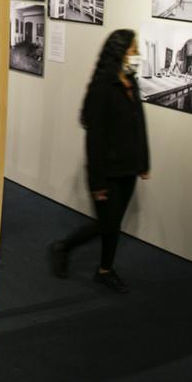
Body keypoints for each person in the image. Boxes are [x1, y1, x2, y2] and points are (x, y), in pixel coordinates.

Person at [50, 29, 150, 293]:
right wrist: (97, 183)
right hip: (107, 170)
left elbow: (139, 123)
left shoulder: (131, 82)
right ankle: (63, 247)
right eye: (133, 49)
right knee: (106, 223)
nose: (137, 54)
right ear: (120, 52)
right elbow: (94, 141)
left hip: (128, 167)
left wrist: (144, 162)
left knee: (113, 223)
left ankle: (105, 270)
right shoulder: (102, 87)